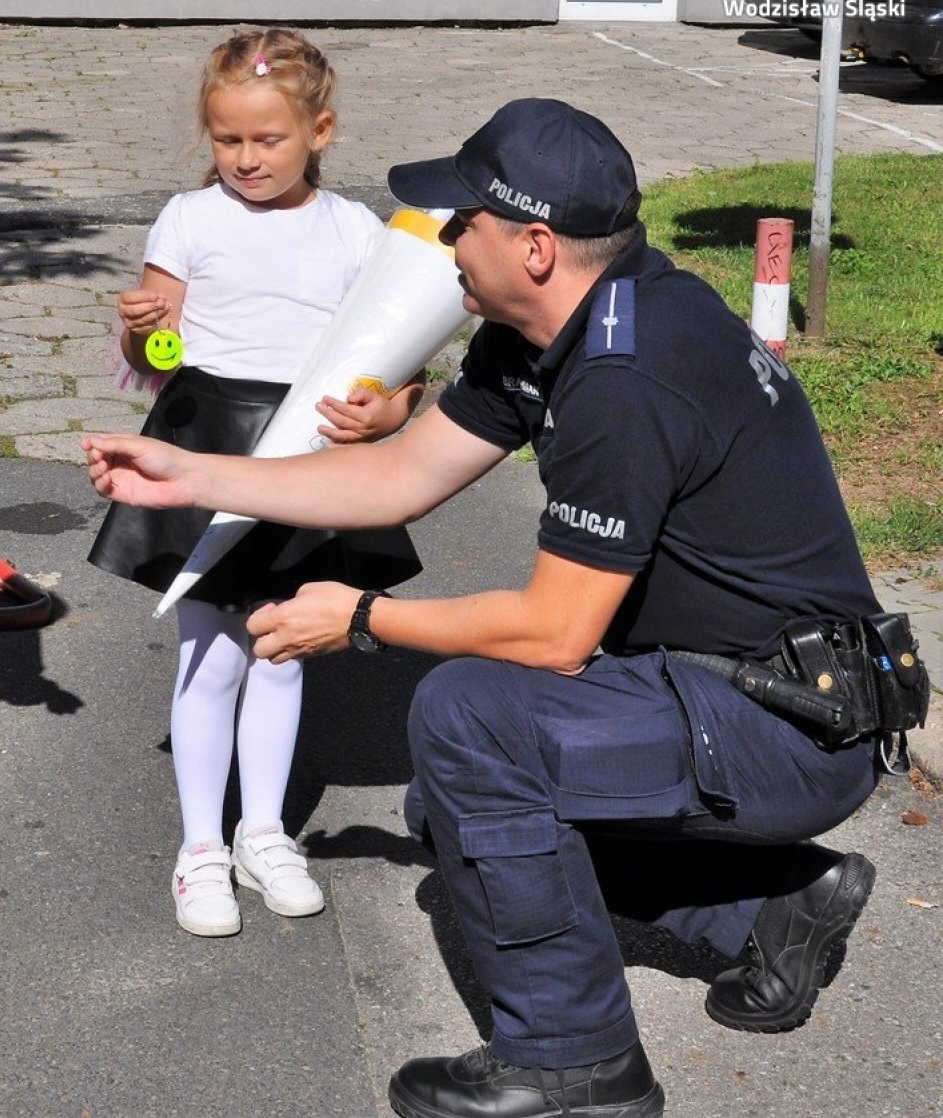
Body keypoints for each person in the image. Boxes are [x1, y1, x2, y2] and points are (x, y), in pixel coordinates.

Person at [84, 98, 896, 1116]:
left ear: (536, 247)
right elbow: (396, 477)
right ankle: (767, 911)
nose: (443, 240)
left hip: (794, 726)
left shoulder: (626, 375)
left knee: (470, 718)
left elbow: (555, 634)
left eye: (463, 221)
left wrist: (363, 619)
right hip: (726, 690)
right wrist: (193, 475)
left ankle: (574, 1061)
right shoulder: (553, 327)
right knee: (450, 808)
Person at [87, 28, 425, 938]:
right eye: (227, 139)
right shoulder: (189, 219)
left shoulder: (356, 231)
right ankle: (200, 846)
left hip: (311, 451)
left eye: (268, 140)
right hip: (208, 437)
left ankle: (264, 832)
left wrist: (386, 418)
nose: (245, 159)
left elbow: (400, 365)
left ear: (321, 131)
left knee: (279, 651)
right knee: (210, 651)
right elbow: (159, 361)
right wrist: (142, 332)